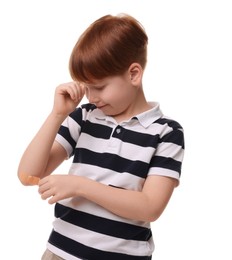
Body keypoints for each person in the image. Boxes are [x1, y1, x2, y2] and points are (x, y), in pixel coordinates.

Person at [18, 13, 185, 260]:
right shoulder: (84, 117)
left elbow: (150, 207)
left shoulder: (166, 133)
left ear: (134, 74)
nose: (91, 97)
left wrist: (80, 185)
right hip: (60, 253)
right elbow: (28, 174)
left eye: (98, 87)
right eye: (86, 87)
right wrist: (57, 115)